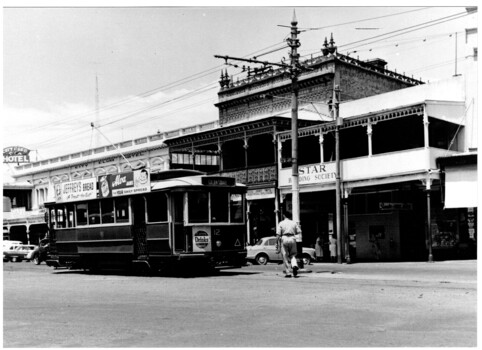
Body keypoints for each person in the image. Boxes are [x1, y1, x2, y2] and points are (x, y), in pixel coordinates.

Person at [276, 212, 300, 278]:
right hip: (292, 238)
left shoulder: (281, 223)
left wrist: (277, 243)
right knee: (293, 254)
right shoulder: (294, 223)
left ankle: (288, 273)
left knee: (285, 256)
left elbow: (278, 234)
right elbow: (299, 231)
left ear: (284, 215)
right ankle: (294, 265)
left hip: (284, 238)